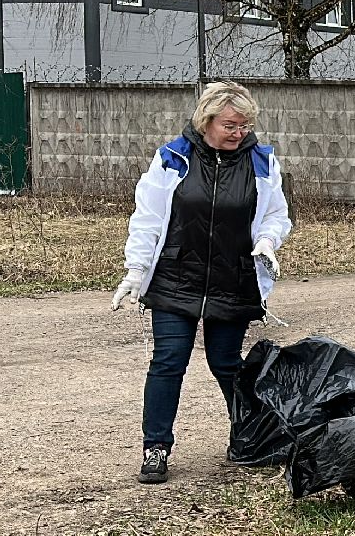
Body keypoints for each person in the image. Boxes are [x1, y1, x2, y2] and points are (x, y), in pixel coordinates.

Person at [111, 81, 292, 485]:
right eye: (231, 124)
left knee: (227, 364)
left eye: (245, 125)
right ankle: (155, 447)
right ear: (206, 120)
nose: (239, 132)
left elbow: (276, 215)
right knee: (168, 362)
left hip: (233, 279)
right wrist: (136, 271)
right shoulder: (174, 157)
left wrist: (267, 240)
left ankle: (248, 437)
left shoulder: (262, 162)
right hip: (177, 277)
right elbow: (148, 217)